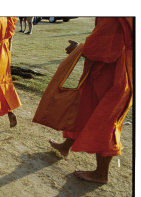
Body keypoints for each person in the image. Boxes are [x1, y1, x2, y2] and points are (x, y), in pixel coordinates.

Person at [47, 17, 133, 184]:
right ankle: (65, 147)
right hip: (105, 72)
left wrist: (79, 48)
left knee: (104, 121)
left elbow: (103, 47)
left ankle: (101, 173)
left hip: (113, 76)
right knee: (84, 109)